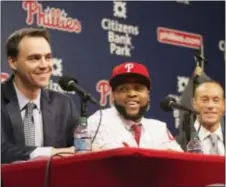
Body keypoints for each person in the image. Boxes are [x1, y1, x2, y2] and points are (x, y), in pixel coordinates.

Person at [1, 27, 79, 164]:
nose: (44, 65)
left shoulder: (64, 104)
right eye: (35, 58)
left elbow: (79, 149)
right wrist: (49, 153)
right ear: (13, 62)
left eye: (48, 57)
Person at [88, 62, 183, 151]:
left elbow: (180, 161)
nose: (132, 93)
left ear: (148, 95)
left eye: (138, 88)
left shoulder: (159, 129)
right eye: (123, 89)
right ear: (113, 96)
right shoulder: (98, 121)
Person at [191, 81, 225, 155]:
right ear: (194, 104)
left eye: (216, 100)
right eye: (204, 100)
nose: (210, 105)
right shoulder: (179, 142)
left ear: (224, 105)